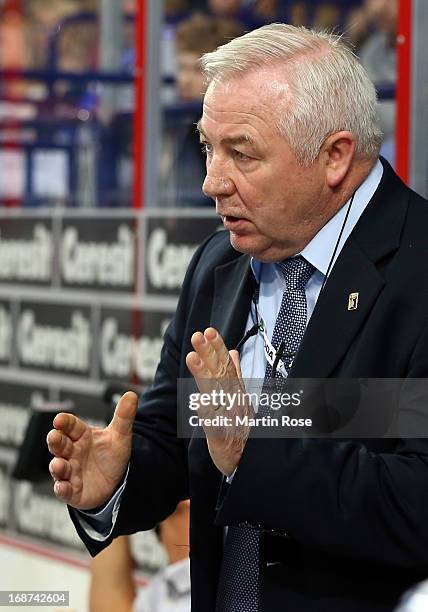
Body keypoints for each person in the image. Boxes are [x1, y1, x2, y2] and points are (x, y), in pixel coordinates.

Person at [47, 23, 428, 612]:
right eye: (207, 146)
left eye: (241, 153)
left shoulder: (418, 271)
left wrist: (255, 452)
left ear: (335, 156)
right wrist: (117, 479)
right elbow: (175, 434)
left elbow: (416, 500)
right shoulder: (220, 263)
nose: (211, 182)